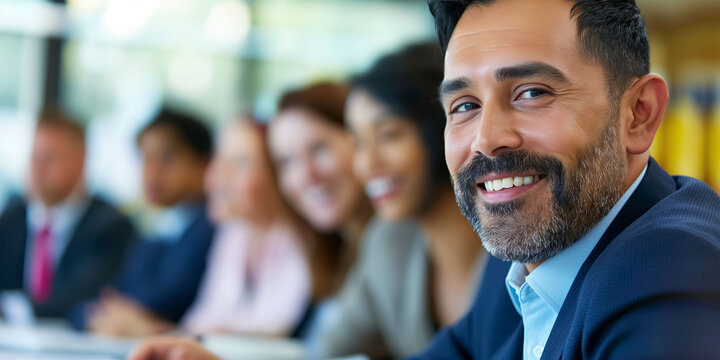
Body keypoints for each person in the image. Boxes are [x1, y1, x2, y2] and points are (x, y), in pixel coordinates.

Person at [413, 0, 720, 359]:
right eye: (465, 105)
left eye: (532, 93)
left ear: (639, 114)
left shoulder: (673, 274)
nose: (486, 139)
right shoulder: (516, 266)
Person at [128, 83, 373, 360]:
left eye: (319, 149)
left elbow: (287, 338)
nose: (305, 175)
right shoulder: (241, 237)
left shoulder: (328, 243)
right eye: (288, 161)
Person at [313, 43, 487, 359]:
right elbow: (329, 351)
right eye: (358, 142)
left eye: (389, 135)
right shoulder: (389, 242)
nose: (367, 164)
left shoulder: (518, 238)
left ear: (443, 129)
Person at [74, 109, 216, 337]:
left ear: (203, 163)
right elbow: (104, 298)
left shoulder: (212, 228)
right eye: (144, 158)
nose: (151, 173)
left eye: (166, 158)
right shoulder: (155, 227)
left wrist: (129, 317)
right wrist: (103, 315)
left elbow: (170, 301)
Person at [179, 118, 311, 337]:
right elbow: (203, 317)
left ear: (277, 175)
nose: (218, 176)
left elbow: (277, 327)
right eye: (218, 159)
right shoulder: (233, 234)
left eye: (240, 163)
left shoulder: (302, 238)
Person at [0, 107, 135, 319]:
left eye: (50, 158)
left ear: (81, 161)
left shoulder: (111, 227)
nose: (38, 168)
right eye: (35, 156)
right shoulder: (10, 220)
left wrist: (12, 309)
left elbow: (87, 294)